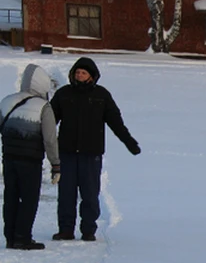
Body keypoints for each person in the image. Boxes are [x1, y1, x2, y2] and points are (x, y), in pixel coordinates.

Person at [50, 57, 140, 242]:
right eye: (77, 72)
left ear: (91, 76)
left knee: (90, 193)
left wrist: (129, 142)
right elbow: (49, 121)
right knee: (66, 193)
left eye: (83, 73)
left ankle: (88, 230)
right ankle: (66, 229)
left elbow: (115, 122)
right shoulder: (63, 94)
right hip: (66, 152)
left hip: (91, 154)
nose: (79, 75)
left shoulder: (101, 95)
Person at [1, 64, 60, 250]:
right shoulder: (43, 107)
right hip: (30, 161)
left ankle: (10, 236)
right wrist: (55, 165)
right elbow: (50, 140)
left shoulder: (7, 101)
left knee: (11, 196)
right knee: (29, 198)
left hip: (9, 158)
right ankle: (22, 237)